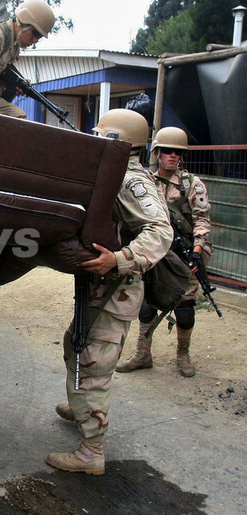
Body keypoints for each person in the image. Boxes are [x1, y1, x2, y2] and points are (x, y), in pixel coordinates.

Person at [48, 109, 173, 475]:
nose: (94, 138)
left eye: (99, 134)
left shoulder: (131, 180)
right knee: (76, 344)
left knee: (94, 363)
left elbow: (160, 231)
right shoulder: (112, 172)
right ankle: (82, 408)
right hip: (101, 287)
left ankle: (91, 452)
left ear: (117, 141)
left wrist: (118, 259)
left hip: (117, 287)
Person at [117, 127, 212, 378]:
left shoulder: (192, 184)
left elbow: (202, 219)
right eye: (167, 151)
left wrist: (197, 249)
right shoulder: (146, 181)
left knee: (185, 310)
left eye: (177, 152)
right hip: (155, 251)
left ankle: (182, 356)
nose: (173, 156)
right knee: (147, 305)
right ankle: (143, 355)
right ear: (157, 153)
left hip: (184, 253)